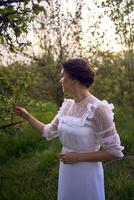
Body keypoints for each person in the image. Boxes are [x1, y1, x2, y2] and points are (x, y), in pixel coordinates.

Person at [13, 58, 124, 200]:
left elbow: (115, 152)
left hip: (87, 174)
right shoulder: (67, 106)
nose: (60, 80)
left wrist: (77, 157)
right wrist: (27, 116)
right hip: (67, 171)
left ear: (74, 79)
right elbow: (48, 132)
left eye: (63, 75)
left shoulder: (98, 108)